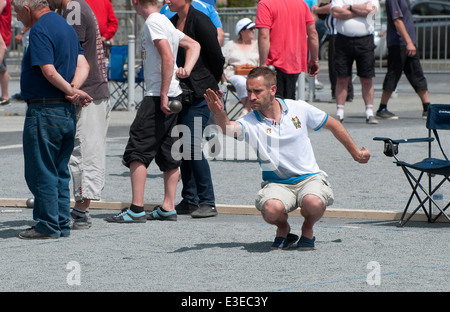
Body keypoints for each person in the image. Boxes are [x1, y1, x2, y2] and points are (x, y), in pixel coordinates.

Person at [204, 67, 370, 250]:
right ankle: (284, 228)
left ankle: (308, 228)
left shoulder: (298, 107)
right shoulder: (250, 121)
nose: (251, 97)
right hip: (277, 183)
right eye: (249, 91)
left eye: (257, 91)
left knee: (313, 202)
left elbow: (333, 124)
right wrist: (218, 112)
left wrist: (356, 153)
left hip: (310, 178)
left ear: (272, 90)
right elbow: (227, 128)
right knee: (270, 209)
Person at [105, 0, 200, 223]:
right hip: (172, 92)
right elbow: (194, 45)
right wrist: (185, 69)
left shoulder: (153, 22)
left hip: (159, 94)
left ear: (135, 2)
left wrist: (164, 93)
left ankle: (136, 209)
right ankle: (168, 207)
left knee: (137, 148)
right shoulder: (164, 20)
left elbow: (167, 57)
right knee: (169, 149)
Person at [13, 0, 92, 239]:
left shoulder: (39, 29)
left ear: (27, 9)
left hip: (44, 109)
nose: (18, 19)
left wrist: (71, 91)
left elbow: (47, 70)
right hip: (65, 112)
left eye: (18, 13)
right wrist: (73, 89)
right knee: (59, 170)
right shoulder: (65, 26)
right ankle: (60, 222)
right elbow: (83, 63)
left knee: (41, 170)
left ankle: (47, 224)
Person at [48, 0, 111, 230]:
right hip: (91, 88)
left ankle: (82, 211)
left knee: (85, 151)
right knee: (82, 149)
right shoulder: (73, 6)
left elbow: (71, 51)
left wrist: (70, 87)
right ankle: (77, 207)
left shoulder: (73, 7)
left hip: (88, 89)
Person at [166, 0, 224, 218]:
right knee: (182, 145)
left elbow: (217, 57)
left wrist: (211, 83)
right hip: (180, 92)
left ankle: (208, 201)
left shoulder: (200, 20)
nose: (166, 0)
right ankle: (190, 199)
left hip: (200, 92)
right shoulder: (171, 21)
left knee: (191, 144)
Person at [375, 0, 430, 120]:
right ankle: (382, 108)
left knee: (416, 73)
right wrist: (409, 42)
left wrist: (411, 42)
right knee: (394, 74)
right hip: (399, 43)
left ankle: (427, 107)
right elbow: (397, 20)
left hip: (407, 43)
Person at [255, 0, 319, 100]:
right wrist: (314, 59)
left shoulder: (265, 4)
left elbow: (264, 35)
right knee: (289, 99)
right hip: (295, 60)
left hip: (274, 61)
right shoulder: (301, 3)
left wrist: (263, 64)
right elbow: (313, 33)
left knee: (275, 101)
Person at [331, 0, 379, 124]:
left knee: (366, 78)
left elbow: (370, 10)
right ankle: (339, 113)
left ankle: (369, 113)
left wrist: (350, 8)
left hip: (365, 41)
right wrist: (360, 11)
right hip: (343, 40)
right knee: (342, 77)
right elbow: (336, 12)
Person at [312, 1, 354, 101]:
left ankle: (340, 93)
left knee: (336, 65)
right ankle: (342, 92)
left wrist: (317, 9)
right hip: (334, 33)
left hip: (338, 34)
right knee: (336, 65)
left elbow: (332, 7)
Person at [222, 17, 259, 116]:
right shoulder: (230, 45)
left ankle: (246, 111)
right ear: (241, 31)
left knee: (255, 82)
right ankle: (250, 111)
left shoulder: (257, 44)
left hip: (253, 75)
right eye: (250, 29)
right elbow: (221, 64)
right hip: (234, 75)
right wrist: (224, 79)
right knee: (242, 82)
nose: (253, 31)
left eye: (254, 28)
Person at [0, 0, 11, 106]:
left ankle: (5, 96)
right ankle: (4, 95)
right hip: (3, 37)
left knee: (2, 69)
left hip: (2, 38)